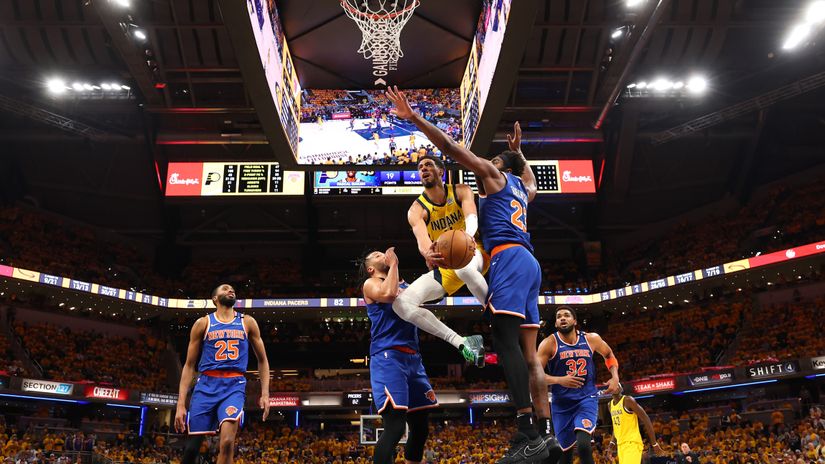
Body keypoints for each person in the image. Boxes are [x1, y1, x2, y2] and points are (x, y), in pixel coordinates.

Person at [387, 85, 555, 463]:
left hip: (505, 258)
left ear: (499, 169)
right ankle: (546, 435)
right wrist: (519, 153)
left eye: (494, 161)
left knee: (503, 339)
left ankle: (526, 429)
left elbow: (450, 147)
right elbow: (531, 180)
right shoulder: (524, 190)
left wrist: (413, 119)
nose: (487, 164)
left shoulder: (492, 180)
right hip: (530, 264)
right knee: (530, 356)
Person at [391, 154, 487, 366]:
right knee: (401, 304)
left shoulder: (460, 190)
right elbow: (422, 240)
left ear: (441, 171)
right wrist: (428, 253)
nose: (423, 168)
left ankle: (493, 314)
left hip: (473, 251)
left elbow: (472, 216)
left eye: (428, 165)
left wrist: (467, 237)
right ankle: (463, 343)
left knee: (464, 269)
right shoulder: (416, 209)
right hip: (447, 264)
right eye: (420, 167)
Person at [174, 284, 270, 464]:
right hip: (206, 385)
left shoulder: (247, 321)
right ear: (215, 298)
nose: (230, 290)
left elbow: (263, 360)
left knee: (226, 443)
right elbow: (189, 365)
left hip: (234, 385)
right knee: (192, 450)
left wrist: (265, 393)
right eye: (225, 289)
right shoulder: (203, 323)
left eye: (232, 289)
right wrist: (180, 404)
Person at [360, 248, 437, 464]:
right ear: (371, 269)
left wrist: (436, 273)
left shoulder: (407, 286)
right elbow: (388, 294)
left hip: (414, 358)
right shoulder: (371, 284)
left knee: (421, 427)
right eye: (376, 255)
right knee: (394, 427)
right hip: (388, 357)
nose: (381, 254)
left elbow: (432, 300)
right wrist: (394, 264)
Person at [537, 306, 621, 464]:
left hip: (586, 399)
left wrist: (615, 377)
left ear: (574, 321)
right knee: (565, 455)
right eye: (559, 316)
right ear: (555, 323)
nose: (563, 318)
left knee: (583, 446)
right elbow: (535, 375)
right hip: (561, 404)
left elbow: (609, 354)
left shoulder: (591, 339)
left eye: (567, 315)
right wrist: (559, 380)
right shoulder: (548, 343)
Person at [608, 385, 665, 464]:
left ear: (621, 388)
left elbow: (646, 419)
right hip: (620, 445)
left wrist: (654, 443)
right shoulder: (610, 405)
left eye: (617, 385)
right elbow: (616, 426)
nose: (614, 387)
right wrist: (611, 444)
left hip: (632, 443)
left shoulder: (628, 400)